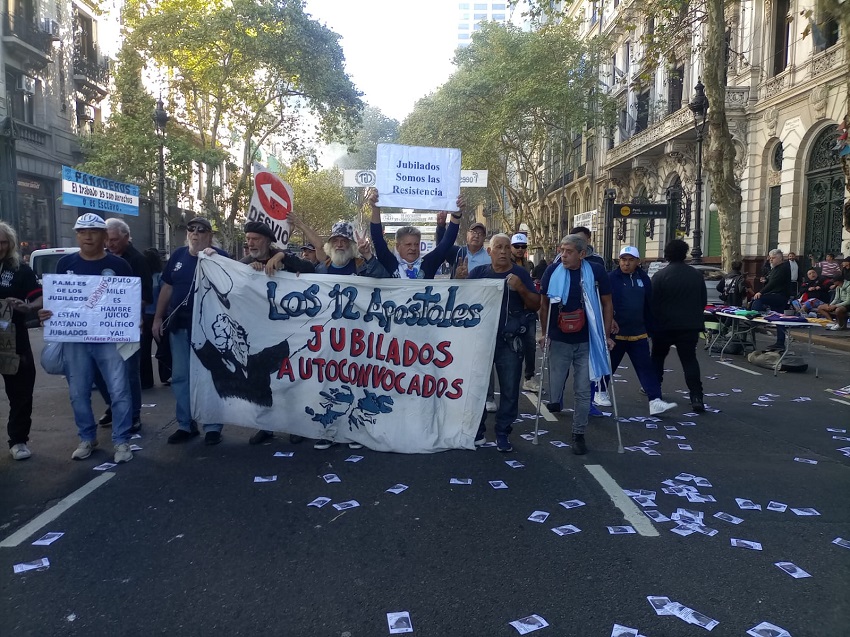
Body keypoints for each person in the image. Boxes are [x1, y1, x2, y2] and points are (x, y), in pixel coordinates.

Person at [37, 213, 135, 463]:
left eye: (93, 232)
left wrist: (134, 320)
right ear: (77, 235)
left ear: (104, 236)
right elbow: (57, 300)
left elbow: (131, 301)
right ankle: (87, 437)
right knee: (78, 392)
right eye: (82, 232)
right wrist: (47, 312)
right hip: (75, 339)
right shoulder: (65, 264)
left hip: (109, 339)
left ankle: (122, 440)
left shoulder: (120, 265)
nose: (87, 237)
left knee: (119, 390)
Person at [460, 234, 540, 452]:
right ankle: (477, 431)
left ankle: (503, 432)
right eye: (498, 247)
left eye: (506, 247)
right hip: (481, 341)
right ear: (490, 251)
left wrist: (521, 288)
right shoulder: (479, 273)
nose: (503, 251)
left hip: (509, 342)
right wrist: (460, 281)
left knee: (510, 390)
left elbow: (536, 304)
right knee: (477, 388)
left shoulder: (520, 274)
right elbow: (461, 301)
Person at [153, 217, 229, 445]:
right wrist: (157, 318)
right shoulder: (177, 256)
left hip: (209, 330)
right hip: (180, 326)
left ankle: (213, 426)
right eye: (191, 229)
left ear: (210, 235)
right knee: (180, 377)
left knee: (210, 377)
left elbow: (233, 288)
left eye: (201, 230)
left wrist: (216, 262)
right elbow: (167, 287)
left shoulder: (220, 257)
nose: (195, 233)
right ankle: (185, 425)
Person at [240, 220, 316, 446]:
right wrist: (249, 272)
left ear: (267, 242)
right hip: (258, 335)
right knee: (261, 381)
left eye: (255, 239)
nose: (251, 243)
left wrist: (282, 256)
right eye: (248, 239)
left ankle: (296, 426)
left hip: (287, 334)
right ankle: (266, 426)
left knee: (291, 381)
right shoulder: (245, 263)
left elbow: (311, 269)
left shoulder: (284, 259)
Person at [539, 234, 613, 455]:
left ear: (582, 254)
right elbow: (544, 304)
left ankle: (578, 433)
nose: (563, 255)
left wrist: (605, 336)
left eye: (568, 251)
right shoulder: (552, 271)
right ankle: (556, 401)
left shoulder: (596, 271)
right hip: (559, 338)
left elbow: (607, 303)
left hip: (586, 340)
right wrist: (544, 333)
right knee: (555, 387)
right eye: (561, 250)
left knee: (582, 390)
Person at [94, 218, 152, 432]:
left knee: (129, 372)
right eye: (107, 240)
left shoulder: (137, 260)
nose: (110, 244)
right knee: (97, 369)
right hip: (100, 324)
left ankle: (134, 414)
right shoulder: (101, 257)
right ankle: (114, 405)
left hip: (127, 325)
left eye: (114, 240)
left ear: (126, 237)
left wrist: (124, 307)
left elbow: (146, 296)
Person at [609, 246, 677, 416]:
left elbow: (649, 305)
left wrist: (652, 328)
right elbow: (604, 303)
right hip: (616, 334)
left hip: (638, 334)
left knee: (646, 369)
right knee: (606, 368)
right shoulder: (611, 278)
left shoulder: (644, 279)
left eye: (630, 260)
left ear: (638, 262)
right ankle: (594, 395)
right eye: (623, 259)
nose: (626, 263)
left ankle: (655, 400)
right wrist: (608, 321)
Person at [0, 222, 43, 460]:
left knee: (21, 391)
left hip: (13, 338)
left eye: (3, 242)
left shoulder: (20, 270)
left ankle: (18, 441)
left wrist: (27, 307)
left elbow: (40, 298)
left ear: (11, 243)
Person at [650, 240, 707, 412]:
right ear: (685, 254)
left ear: (667, 254)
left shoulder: (660, 276)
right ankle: (696, 396)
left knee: (658, 358)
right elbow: (702, 301)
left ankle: (654, 390)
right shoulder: (696, 275)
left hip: (664, 326)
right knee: (689, 360)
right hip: (689, 326)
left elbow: (652, 303)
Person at [365, 187, 462, 280]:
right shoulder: (390, 263)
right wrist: (375, 208)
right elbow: (377, 239)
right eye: (408, 244)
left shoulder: (428, 263)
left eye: (416, 244)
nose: (413, 248)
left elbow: (446, 244)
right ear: (398, 247)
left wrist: (456, 215)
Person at [510, 233, 539, 391]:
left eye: (523, 247)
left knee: (530, 345)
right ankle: (511, 379)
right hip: (513, 310)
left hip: (528, 310)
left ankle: (529, 377)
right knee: (511, 347)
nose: (520, 249)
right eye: (517, 246)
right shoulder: (507, 264)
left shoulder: (528, 265)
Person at [752, 248, 792, 351]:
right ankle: (780, 343)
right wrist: (766, 280)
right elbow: (771, 281)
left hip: (779, 296)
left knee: (759, 299)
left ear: (780, 258)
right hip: (777, 295)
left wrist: (761, 292)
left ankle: (753, 318)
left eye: (773, 258)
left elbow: (773, 283)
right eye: (770, 258)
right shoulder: (775, 268)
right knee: (779, 319)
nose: (771, 260)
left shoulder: (783, 268)